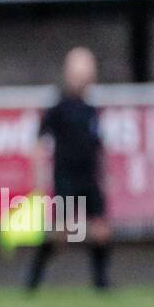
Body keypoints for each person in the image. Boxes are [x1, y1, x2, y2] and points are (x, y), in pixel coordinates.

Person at [25, 47, 112, 291]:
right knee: (61, 234)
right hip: (66, 178)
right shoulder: (58, 108)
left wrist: (105, 176)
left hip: (89, 178)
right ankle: (33, 278)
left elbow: (98, 146)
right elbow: (39, 144)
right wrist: (39, 180)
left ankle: (101, 282)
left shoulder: (90, 110)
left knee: (100, 231)